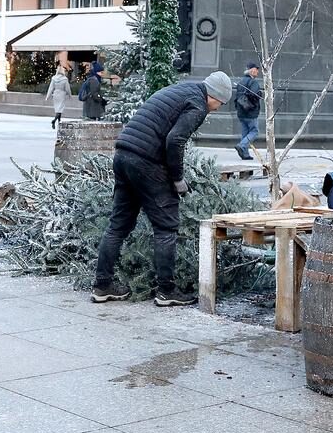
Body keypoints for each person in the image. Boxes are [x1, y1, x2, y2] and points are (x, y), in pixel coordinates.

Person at [92, 71, 232, 306]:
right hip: (147, 162)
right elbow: (175, 140)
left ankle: (102, 285)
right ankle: (166, 290)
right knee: (166, 227)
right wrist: (177, 179)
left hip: (123, 154)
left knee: (118, 225)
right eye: (220, 103)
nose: (216, 109)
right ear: (214, 95)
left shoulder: (180, 90)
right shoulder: (198, 104)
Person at [233, 62, 262, 160]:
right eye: (256, 69)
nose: (257, 71)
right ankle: (242, 145)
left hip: (241, 112)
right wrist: (260, 94)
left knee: (245, 133)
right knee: (254, 131)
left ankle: (245, 154)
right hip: (250, 112)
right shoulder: (253, 82)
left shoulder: (241, 81)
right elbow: (254, 95)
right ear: (252, 70)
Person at [45, 62, 73, 138]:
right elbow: (67, 88)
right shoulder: (65, 79)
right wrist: (70, 95)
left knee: (58, 109)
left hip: (55, 94)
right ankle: (54, 120)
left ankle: (59, 122)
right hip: (62, 94)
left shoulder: (54, 78)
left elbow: (51, 88)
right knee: (60, 109)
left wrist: (48, 96)